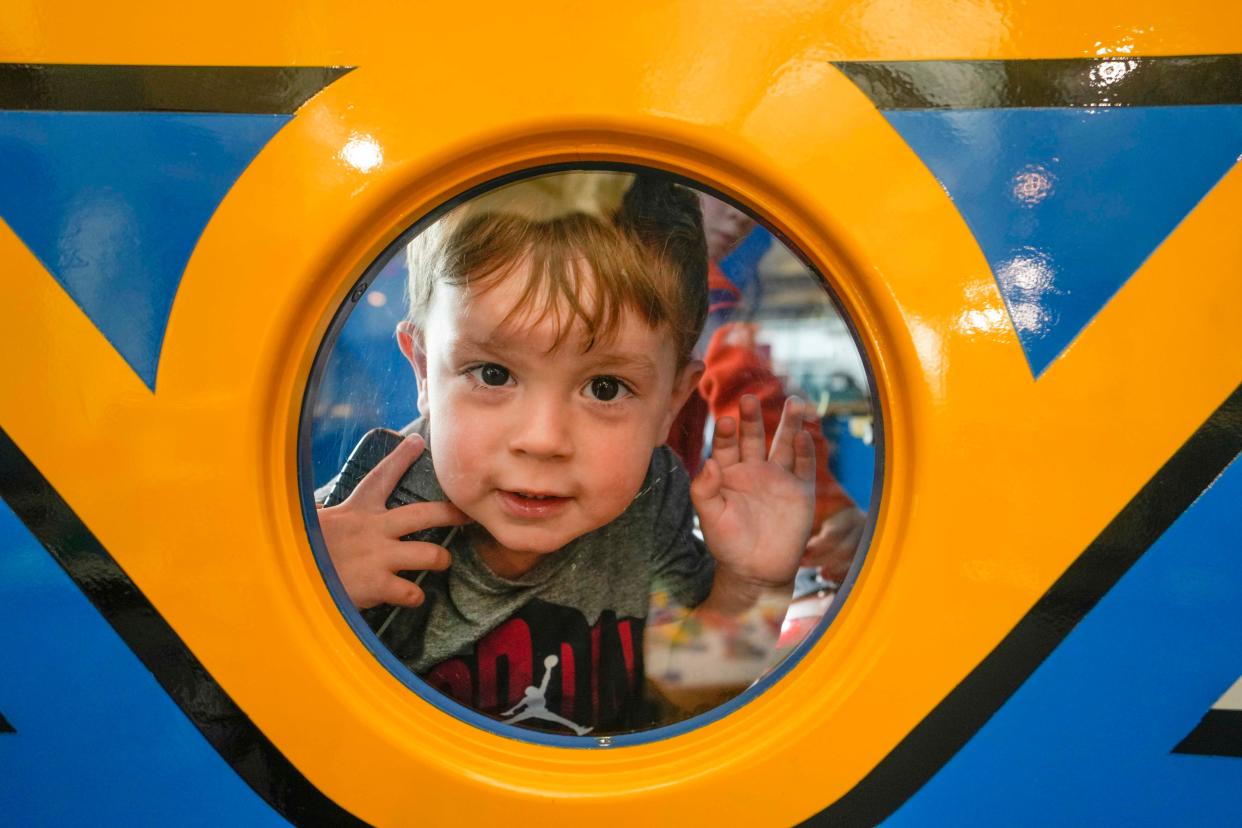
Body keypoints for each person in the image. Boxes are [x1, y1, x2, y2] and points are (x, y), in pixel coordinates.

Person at [315, 172, 816, 734]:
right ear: (425, 371)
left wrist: (753, 586)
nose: (543, 439)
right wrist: (302, 597)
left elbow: (689, 699)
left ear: (672, 402)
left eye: (604, 387)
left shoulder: (651, 506)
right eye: (493, 374)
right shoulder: (364, 513)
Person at [667, 193, 867, 583]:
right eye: (717, 190)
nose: (740, 216)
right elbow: (744, 384)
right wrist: (826, 511)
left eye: (747, 201)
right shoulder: (683, 276)